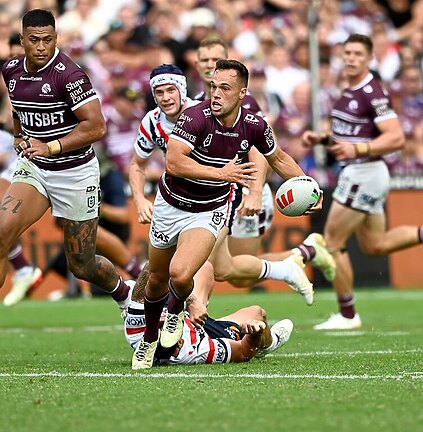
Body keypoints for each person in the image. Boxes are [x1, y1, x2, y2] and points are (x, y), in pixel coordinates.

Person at [133, 59, 323, 369]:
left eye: (225, 88)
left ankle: (174, 313)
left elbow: (279, 158)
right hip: (170, 204)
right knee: (156, 278)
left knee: (180, 274)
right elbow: (174, 163)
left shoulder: (254, 126)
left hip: (209, 211)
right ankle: (149, 339)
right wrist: (222, 173)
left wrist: (308, 186)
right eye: (212, 87)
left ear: (242, 93)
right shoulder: (194, 117)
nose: (216, 94)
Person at [0, 9, 132, 315]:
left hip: (75, 173)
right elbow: (20, 109)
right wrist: (21, 137)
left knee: (82, 264)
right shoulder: (11, 70)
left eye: (48, 39)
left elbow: (97, 126)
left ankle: (126, 297)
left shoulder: (69, 74)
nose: (42, 46)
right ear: (22, 40)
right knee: (2, 230)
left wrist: (50, 146)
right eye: (34, 40)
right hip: (35, 169)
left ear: (56, 38)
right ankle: (19, 275)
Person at [301, 33, 423, 330]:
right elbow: (353, 135)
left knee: (332, 242)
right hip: (361, 172)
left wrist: (358, 149)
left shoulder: (372, 93)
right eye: (348, 53)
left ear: (369, 59)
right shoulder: (349, 92)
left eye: (358, 54)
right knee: (375, 245)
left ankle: (347, 315)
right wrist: (324, 138)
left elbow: (395, 137)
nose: (352, 58)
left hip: (364, 172)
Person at [126, 262, 294, 367]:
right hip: (206, 335)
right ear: (180, 343)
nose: (164, 318)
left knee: (204, 267)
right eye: (170, 325)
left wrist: (192, 301)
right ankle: (270, 344)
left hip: (189, 317)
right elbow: (243, 352)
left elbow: (151, 268)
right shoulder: (196, 352)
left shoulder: (137, 329)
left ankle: (200, 307)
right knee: (257, 313)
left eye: (161, 322)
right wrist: (255, 334)